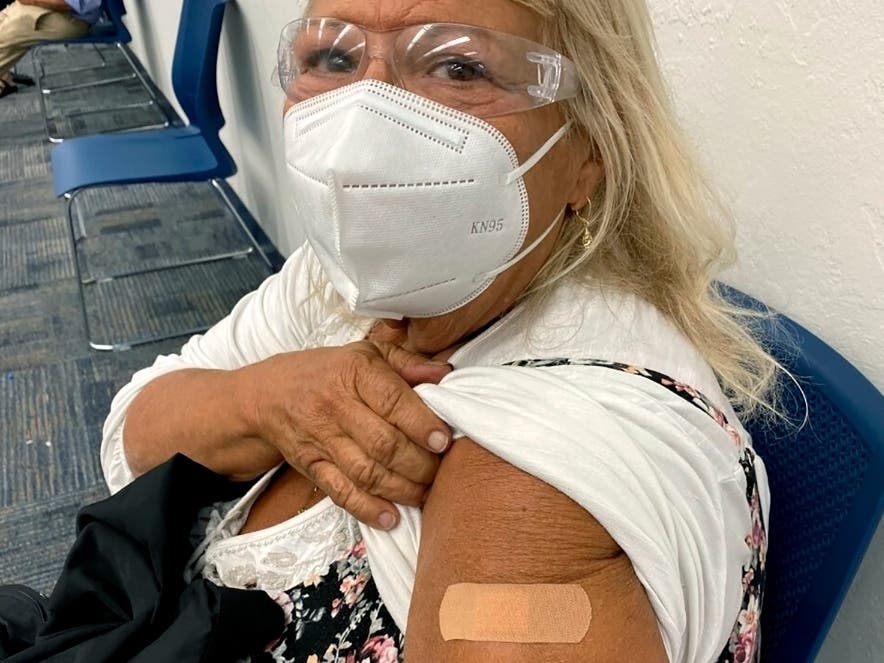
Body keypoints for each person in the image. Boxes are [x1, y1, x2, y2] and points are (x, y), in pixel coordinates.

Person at [100, 0, 777, 661]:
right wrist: (268, 402)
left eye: (458, 68)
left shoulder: (545, 470)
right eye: (332, 57)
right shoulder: (333, 286)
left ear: (591, 149)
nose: (357, 138)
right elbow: (132, 434)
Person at [0, 0, 102, 98]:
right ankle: (4, 75)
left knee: (8, 33)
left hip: (70, 16)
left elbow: (69, 4)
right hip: (51, 8)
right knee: (7, 21)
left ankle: (4, 76)